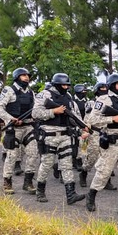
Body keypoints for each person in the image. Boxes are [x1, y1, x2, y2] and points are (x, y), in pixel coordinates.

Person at [85, 74, 118, 217]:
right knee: (103, 173)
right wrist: (112, 119)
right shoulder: (103, 99)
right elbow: (93, 119)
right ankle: (91, 196)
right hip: (111, 142)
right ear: (112, 85)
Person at [32, 72, 86, 205]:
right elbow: (35, 113)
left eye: (68, 85)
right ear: (56, 84)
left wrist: (83, 128)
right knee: (47, 164)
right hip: (49, 135)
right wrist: (53, 112)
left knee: (67, 165)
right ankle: (40, 191)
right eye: (63, 85)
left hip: (65, 135)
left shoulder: (68, 97)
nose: (66, 87)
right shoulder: (45, 95)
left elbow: (75, 116)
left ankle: (71, 194)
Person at [0, 68, 37, 195]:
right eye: (23, 75)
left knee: (33, 154)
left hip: (28, 127)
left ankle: (28, 182)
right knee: (12, 156)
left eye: (27, 75)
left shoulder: (31, 92)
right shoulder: (9, 90)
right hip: (14, 128)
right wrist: (10, 119)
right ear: (17, 77)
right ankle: (7, 181)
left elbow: (34, 109)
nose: (27, 77)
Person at [79, 82, 116, 191]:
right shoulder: (91, 103)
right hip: (94, 132)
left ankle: (107, 180)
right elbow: (88, 118)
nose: (104, 89)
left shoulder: (111, 101)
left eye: (105, 87)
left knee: (107, 158)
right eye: (101, 88)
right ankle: (84, 173)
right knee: (92, 157)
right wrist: (85, 131)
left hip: (107, 132)